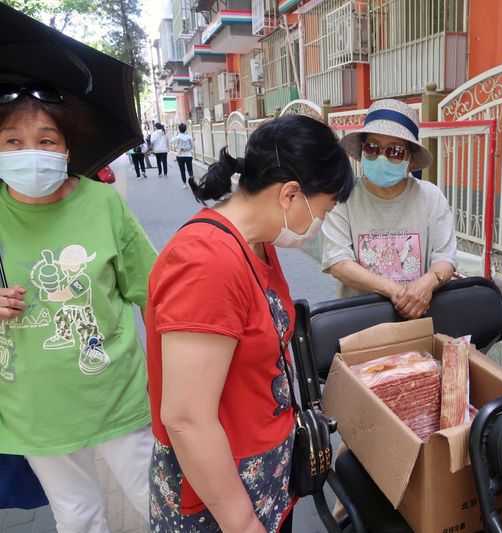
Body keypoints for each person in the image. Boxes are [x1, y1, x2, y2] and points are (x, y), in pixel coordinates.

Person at [145, 114, 354, 532]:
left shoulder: (257, 243)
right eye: (326, 208)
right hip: (221, 503)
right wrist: (242, 523)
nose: (322, 223)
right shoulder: (207, 262)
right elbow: (187, 418)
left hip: (262, 478)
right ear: (291, 194)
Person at [0, 79, 157, 531]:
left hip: (116, 395)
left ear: (68, 146)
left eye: (45, 139)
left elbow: (154, 293)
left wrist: (172, 382)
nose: (30, 150)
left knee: (157, 500)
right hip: (33, 407)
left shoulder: (103, 204)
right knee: (77, 516)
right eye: (13, 140)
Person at [321, 99, 457, 319]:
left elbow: (446, 256)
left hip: (418, 320)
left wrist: (428, 282)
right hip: (359, 322)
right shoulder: (343, 197)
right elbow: (338, 262)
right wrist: (394, 290)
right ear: (362, 151)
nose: (381, 157)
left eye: (395, 151)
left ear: (411, 160)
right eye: (372, 148)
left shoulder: (430, 197)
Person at [171, 122, 194, 189]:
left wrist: (175, 134)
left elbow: (171, 141)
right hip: (188, 155)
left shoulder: (177, 137)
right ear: (185, 129)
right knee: (190, 169)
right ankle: (192, 182)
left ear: (179, 129)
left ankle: (184, 184)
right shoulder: (189, 137)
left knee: (182, 170)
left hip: (180, 155)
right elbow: (193, 146)